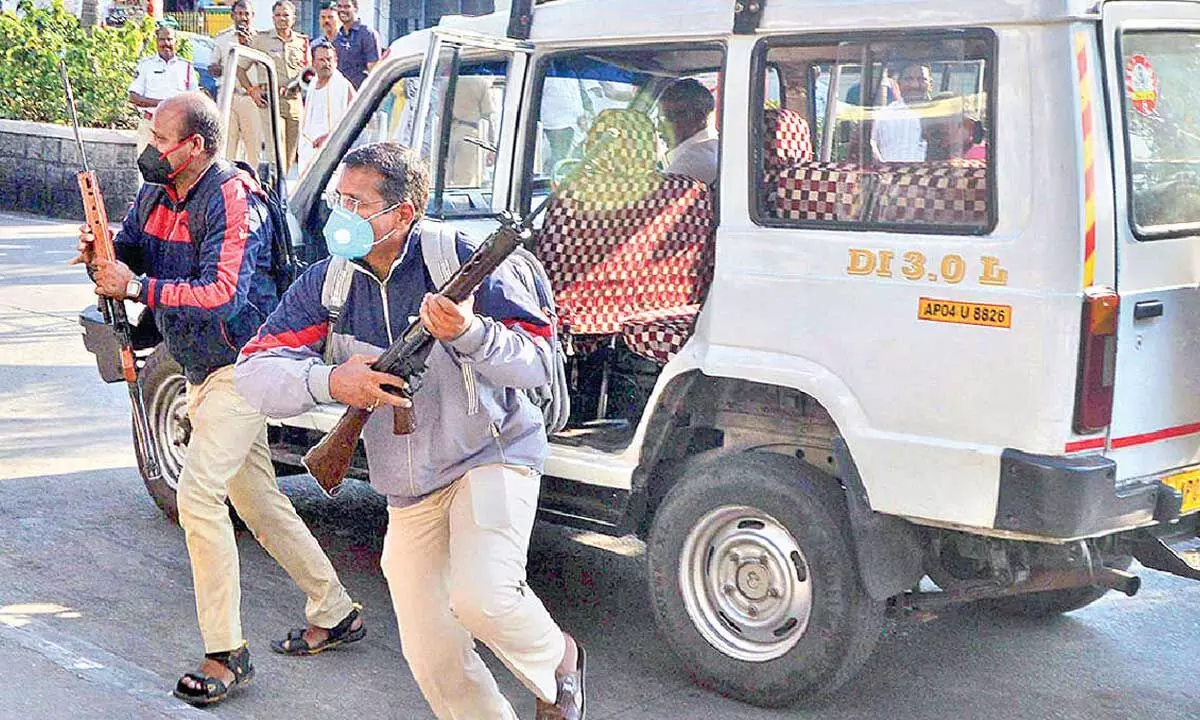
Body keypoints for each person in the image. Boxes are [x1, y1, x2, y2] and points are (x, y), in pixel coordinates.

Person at [234, 142, 587, 720]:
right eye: (338, 199)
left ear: (403, 213)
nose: (340, 213)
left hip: (491, 452)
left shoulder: (461, 261)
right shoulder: (329, 285)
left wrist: (470, 332)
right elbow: (252, 371)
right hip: (409, 487)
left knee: (483, 598)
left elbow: (539, 362)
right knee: (431, 655)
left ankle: (559, 663)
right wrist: (332, 383)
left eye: (357, 202)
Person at [69, 92, 365, 708]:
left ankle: (227, 652)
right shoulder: (157, 192)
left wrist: (137, 285)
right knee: (256, 498)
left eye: (161, 138)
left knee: (198, 498)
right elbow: (132, 247)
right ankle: (335, 610)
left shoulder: (232, 198)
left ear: (196, 147)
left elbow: (223, 292)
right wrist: (103, 253)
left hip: (246, 364)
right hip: (202, 367)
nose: (150, 148)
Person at [252, 0, 310, 173]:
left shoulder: (302, 42)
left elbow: (309, 72)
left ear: (293, 18)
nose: (281, 19)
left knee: (291, 152)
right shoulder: (261, 40)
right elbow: (241, 66)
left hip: (294, 102)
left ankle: (282, 187)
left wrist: (299, 84)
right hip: (271, 102)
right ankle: (277, 191)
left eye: (285, 15)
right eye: (277, 15)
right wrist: (251, 89)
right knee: (276, 150)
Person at [129, 26, 198, 155]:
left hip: (177, 128)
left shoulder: (186, 68)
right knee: (146, 169)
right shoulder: (146, 66)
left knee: (174, 170)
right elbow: (133, 97)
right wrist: (164, 104)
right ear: (156, 42)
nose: (166, 43)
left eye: (169, 39)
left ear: (175, 42)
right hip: (151, 125)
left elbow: (194, 100)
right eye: (162, 40)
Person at [210, 0, 262, 169]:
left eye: (246, 14)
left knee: (253, 147)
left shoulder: (260, 39)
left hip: (251, 98)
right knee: (227, 146)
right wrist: (225, 67)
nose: (243, 18)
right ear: (232, 16)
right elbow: (212, 67)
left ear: (252, 16)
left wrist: (249, 46)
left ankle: (254, 186)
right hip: (229, 97)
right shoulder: (222, 38)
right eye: (239, 14)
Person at [298, 44, 355, 175]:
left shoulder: (343, 85)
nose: (326, 63)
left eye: (329, 59)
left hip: (331, 149)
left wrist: (331, 137)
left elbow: (357, 117)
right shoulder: (312, 84)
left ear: (336, 61)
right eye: (322, 60)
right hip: (308, 149)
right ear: (314, 63)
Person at [657, 78, 719, 184]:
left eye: (667, 119)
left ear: (697, 118)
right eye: (658, 120)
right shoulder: (715, 149)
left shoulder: (688, 166)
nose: (659, 128)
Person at [870, 62, 933, 162]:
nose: (915, 85)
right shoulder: (883, 116)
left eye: (922, 79)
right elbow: (870, 145)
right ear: (898, 84)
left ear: (930, 84)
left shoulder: (940, 115)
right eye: (908, 79)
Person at [446, 75, 496, 187]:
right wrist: (492, 147)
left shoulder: (448, 82)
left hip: (448, 134)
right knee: (467, 180)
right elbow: (489, 116)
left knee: (446, 178)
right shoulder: (482, 83)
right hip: (471, 135)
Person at [333, 0, 381, 89]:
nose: (342, 10)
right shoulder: (337, 36)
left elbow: (374, 70)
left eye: (347, 7)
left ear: (355, 9)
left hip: (359, 94)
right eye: (339, 6)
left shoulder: (367, 33)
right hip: (339, 91)